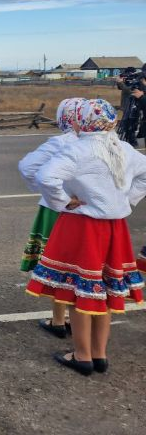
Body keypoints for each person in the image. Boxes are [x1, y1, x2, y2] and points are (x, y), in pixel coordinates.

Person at [26, 99, 146, 376]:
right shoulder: (123, 148)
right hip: (115, 227)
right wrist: (126, 200)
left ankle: (82, 355)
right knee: (102, 291)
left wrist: (63, 201)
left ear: (80, 121)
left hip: (83, 225)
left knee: (80, 292)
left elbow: (46, 176)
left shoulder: (78, 149)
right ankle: (100, 354)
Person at [18, 98, 84, 338]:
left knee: (59, 263)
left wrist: (54, 194)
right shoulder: (105, 142)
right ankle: (77, 318)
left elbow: (28, 167)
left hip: (59, 208)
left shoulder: (62, 142)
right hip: (91, 210)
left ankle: (59, 319)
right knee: (80, 264)